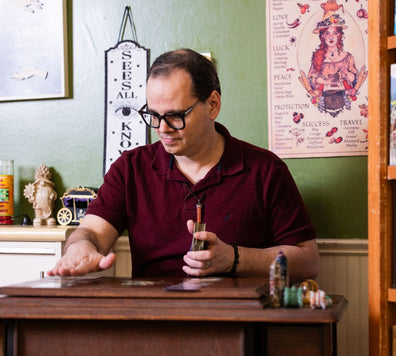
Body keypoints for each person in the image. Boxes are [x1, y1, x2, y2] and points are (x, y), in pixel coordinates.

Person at [48, 49, 320, 282]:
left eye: (176, 116)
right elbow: (92, 232)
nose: (162, 129)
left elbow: (307, 261)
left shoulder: (266, 170)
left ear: (212, 105)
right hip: (153, 324)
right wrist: (79, 247)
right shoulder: (130, 168)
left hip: (237, 324)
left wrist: (235, 259)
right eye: (153, 115)